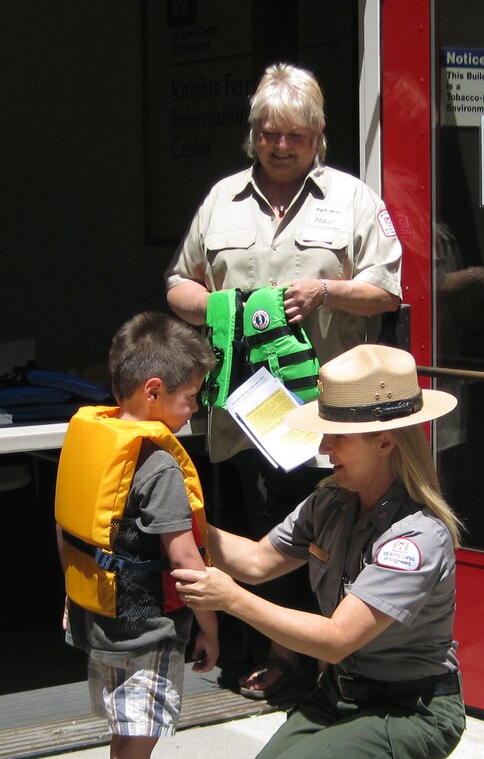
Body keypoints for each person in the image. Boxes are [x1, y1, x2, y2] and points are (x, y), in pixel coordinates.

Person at [165, 62, 402, 698]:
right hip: (243, 411)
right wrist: (219, 308)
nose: (279, 145)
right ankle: (238, 644)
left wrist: (326, 290)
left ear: (319, 133)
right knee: (248, 525)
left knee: (318, 536)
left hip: (326, 412)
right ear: (254, 133)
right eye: (269, 132)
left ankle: (298, 657)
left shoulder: (352, 199)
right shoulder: (222, 200)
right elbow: (178, 282)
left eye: (294, 135)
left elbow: (387, 291)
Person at [171, 343, 466, 759]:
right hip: (340, 693)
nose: (324, 448)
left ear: (384, 443)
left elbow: (336, 640)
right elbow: (257, 561)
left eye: (338, 436)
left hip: (409, 709)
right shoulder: (330, 502)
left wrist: (232, 600)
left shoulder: (416, 539)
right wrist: (177, 520)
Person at [55, 312, 219, 759]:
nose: (194, 410)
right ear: (153, 391)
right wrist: (211, 628)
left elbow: (67, 529)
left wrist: (75, 594)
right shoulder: (161, 466)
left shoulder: (89, 440)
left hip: (97, 620)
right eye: (190, 397)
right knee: (140, 740)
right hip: (149, 631)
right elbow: (186, 562)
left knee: (124, 730)